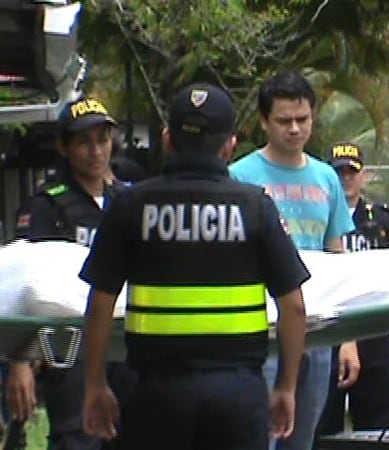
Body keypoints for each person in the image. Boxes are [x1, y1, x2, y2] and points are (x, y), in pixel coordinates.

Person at [79, 83, 310, 450]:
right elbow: (294, 307)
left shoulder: (130, 205)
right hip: (237, 393)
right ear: (229, 146)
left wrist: (94, 384)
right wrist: (285, 387)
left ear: (168, 139)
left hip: (154, 394)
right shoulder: (255, 207)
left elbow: (99, 305)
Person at [228, 71, 359, 450]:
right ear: (264, 121)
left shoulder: (327, 178)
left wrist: (347, 339)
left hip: (317, 328)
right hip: (261, 329)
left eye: (303, 119)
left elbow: (337, 256)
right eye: (284, 120)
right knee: (258, 437)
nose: (295, 129)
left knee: (303, 439)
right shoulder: (239, 176)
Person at [6, 97, 136, 450]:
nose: (96, 152)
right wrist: (20, 361)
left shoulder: (127, 201)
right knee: (77, 439)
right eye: (84, 142)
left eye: (103, 140)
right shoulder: (46, 205)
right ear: (64, 147)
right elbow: (24, 286)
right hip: (70, 345)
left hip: (126, 342)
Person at [314, 142, 389, 441]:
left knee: (378, 427)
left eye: (351, 172)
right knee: (323, 428)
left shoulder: (379, 219)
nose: (345, 178)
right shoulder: (317, 217)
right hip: (329, 333)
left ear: (364, 176)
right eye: (339, 173)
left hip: (373, 332)